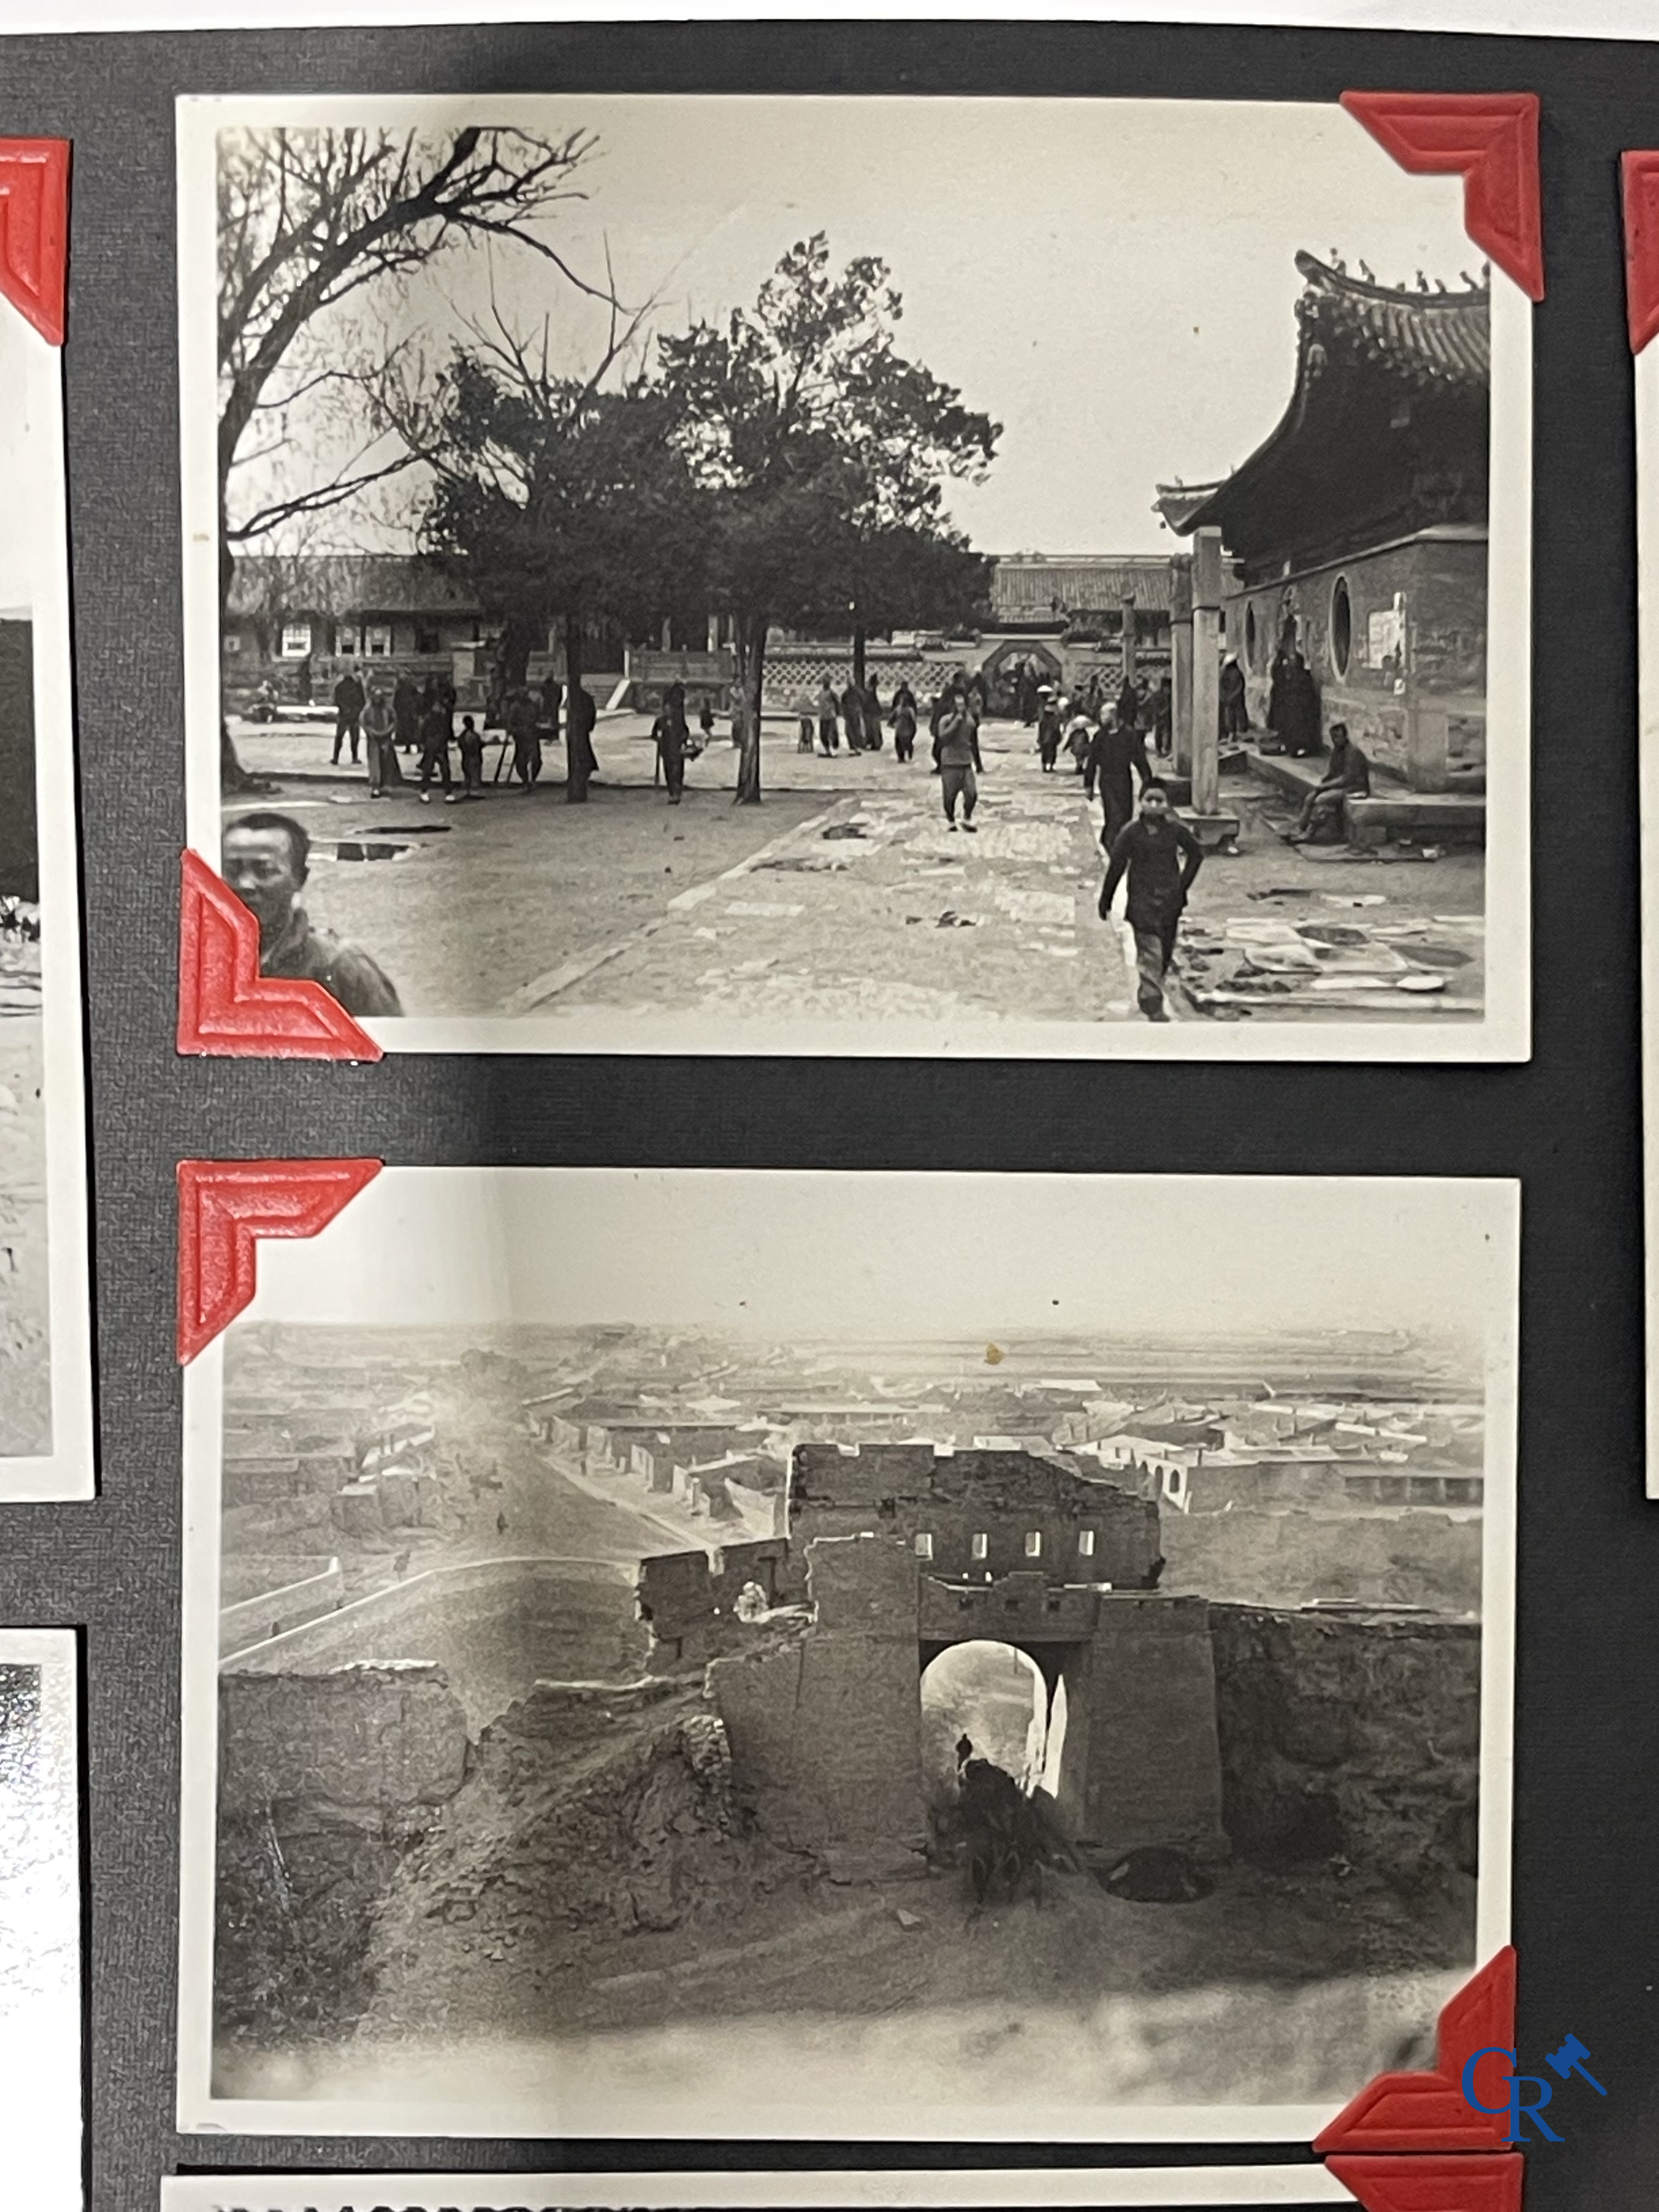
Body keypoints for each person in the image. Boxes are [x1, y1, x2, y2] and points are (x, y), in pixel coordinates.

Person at [223, 810, 401, 1017]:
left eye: (265, 871)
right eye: (232, 870)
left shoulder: (339, 967)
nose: (245, 884)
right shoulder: (201, 959)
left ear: (300, 878)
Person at [1098, 779, 1204, 1023]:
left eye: (1160, 801)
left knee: (1164, 955)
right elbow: (1116, 867)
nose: (1154, 805)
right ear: (1141, 802)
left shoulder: (1176, 831)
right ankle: (1152, 1004)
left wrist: (1182, 886)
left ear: (1168, 805)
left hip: (1170, 904)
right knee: (1149, 955)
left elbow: (1196, 855)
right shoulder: (1131, 833)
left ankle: (1153, 990)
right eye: (1150, 800)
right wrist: (1106, 899)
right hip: (1142, 903)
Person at [1287, 722, 1370, 843]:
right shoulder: (1336, 751)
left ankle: (1310, 833)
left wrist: (1326, 786)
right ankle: (1300, 828)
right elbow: (1331, 772)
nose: (1335, 740)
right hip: (1339, 786)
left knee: (1322, 799)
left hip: (1354, 788)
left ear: (1345, 737)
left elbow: (1347, 778)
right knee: (1311, 797)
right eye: (1333, 738)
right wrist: (1322, 784)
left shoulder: (1353, 753)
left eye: (1338, 737)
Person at [1087, 710, 1154, 851]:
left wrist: (1147, 779)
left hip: (1123, 778)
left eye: (1105, 716)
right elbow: (1092, 761)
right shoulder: (1100, 736)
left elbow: (1139, 758)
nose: (1102, 718)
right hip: (1106, 779)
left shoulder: (1129, 735)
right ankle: (1112, 843)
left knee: (1125, 813)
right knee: (1113, 813)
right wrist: (1089, 784)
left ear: (1114, 716)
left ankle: (1120, 842)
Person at [935, 686, 983, 832]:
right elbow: (943, 738)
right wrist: (956, 722)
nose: (960, 708)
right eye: (957, 705)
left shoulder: (970, 722)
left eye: (962, 705)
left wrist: (978, 763)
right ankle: (950, 820)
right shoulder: (945, 721)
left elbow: (974, 742)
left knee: (972, 794)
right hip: (950, 763)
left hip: (966, 763)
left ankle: (967, 818)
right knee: (949, 796)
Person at [360, 681, 400, 796]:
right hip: (374, 739)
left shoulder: (388, 708)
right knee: (375, 763)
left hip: (386, 738)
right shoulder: (368, 709)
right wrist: (371, 732)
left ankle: (386, 784)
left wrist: (388, 731)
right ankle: (376, 786)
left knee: (386, 762)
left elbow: (394, 720)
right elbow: (364, 722)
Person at [505, 687, 541, 790]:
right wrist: (516, 731)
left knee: (536, 760)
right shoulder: (515, 707)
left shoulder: (532, 706)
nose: (524, 696)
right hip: (521, 738)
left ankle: (532, 780)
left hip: (532, 735)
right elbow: (510, 723)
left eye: (526, 694)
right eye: (522, 694)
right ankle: (525, 781)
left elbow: (537, 718)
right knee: (521, 761)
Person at [416, 696, 453, 799]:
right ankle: (428, 791)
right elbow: (423, 731)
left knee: (442, 770)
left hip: (436, 746)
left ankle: (445, 791)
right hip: (434, 746)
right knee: (434, 769)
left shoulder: (441, 717)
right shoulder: (433, 718)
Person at [654, 700, 689, 803]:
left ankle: (677, 793)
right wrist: (658, 738)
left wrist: (683, 742)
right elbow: (654, 734)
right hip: (666, 751)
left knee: (677, 773)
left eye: (669, 709)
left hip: (677, 750)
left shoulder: (678, 721)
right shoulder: (660, 721)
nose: (667, 711)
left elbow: (685, 732)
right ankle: (672, 792)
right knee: (669, 773)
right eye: (666, 709)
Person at [331, 668, 365, 765]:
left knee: (339, 737)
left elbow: (337, 701)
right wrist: (358, 711)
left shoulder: (340, 687)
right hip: (354, 716)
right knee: (355, 738)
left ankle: (335, 758)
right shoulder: (358, 687)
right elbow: (362, 701)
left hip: (344, 715)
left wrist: (345, 709)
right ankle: (355, 757)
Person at [1219, 652, 1249, 738]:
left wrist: (1229, 697)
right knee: (1231, 717)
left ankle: (1239, 732)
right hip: (1231, 699)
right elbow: (1223, 686)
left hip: (1235, 699)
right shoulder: (1227, 674)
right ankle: (1233, 733)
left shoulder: (1236, 674)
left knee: (1237, 716)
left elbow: (1239, 687)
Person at [392, 670, 421, 754]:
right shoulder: (401, 685)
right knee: (407, 730)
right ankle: (409, 747)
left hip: (409, 711)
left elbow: (416, 697)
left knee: (412, 730)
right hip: (403, 711)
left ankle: (418, 746)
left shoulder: (408, 686)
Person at [1036, 692, 1062, 771]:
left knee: (1045, 752)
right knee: (1052, 752)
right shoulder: (1055, 718)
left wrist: (1040, 739)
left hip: (1045, 739)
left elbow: (1041, 729)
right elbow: (1056, 728)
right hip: (1051, 739)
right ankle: (1050, 766)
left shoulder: (1044, 718)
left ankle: (1044, 767)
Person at [892, 688, 918, 763]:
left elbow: (893, 718)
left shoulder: (899, 709)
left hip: (901, 729)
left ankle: (901, 757)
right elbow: (914, 720)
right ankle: (906, 754)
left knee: (900, 743)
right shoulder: (910, 710)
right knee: (906, 742)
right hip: (907, 729)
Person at [840, 678, 865, 752]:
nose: (850, 685)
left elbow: (863, 701)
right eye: (848, 683)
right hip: (849, 714)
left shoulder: (858, 692)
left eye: (851, 683)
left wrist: (860, 710)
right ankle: (852, 746)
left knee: (856, 731)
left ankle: (858, 746)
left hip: (855, 714)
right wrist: (844, 712)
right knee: (849, 731)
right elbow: (843, 704)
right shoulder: (846, 693)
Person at [816, 679, 840, 756]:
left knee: (832, 734)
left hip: (830, 716)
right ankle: (827, 750)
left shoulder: (832, 693)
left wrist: (836, 711)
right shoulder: (821, 693)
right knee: (823, 734)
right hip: (823, 716)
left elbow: (838, 702)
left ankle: (833, 750)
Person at [1153, 675, 1173, 757]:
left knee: (1167, 734)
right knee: (1159, 734)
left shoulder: (1170, 696)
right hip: (1159, 718)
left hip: (1167, 719)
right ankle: (1159, 750)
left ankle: (1166, 749)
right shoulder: (1157, 696)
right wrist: (1169, 707)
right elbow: (1159, 711)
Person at [794, 687, 817, 752]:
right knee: (809, 731)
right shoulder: (809, 701)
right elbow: (814, 709)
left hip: (802, 718)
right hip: (808, 718)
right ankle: (809, 747)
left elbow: (794, 708)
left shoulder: (799, 701)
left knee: (802, 732)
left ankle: (802, 747)